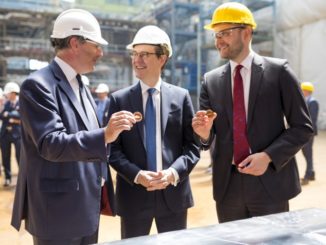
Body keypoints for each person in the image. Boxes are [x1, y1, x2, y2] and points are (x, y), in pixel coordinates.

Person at [11, 9, 135, 245]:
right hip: (57, 214)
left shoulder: (79, 84)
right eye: (96, 45)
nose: (101, 52)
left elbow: (88, 139)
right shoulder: (38, 86)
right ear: (75, 43)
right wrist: (105, 134)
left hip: (85, 208)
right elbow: (51, 144)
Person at [192, 2, 313, 223]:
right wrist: (204, 133)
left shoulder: (279, 72)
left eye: (225, 33)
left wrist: (268, 157)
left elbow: (302, 128)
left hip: (270, 182)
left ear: (246, 32)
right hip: (228, 187)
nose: (219, 41)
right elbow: (206, 138)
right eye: (216, 35)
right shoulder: (211, 81)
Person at [108, 25, 200, 239]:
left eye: (144, 55)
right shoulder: (119, 100)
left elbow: (192, 147)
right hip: (134, 196)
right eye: (134, 54)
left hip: (174, 196)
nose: (136, 60)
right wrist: (137, 175)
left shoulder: (181, 97)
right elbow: (112, 149)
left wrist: (172, 173)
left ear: (162, 58)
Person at [0, 82, 21, 187]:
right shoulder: (6, 104)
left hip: (18, 134)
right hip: (5, 134)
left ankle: (22, 178)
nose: (6, 95)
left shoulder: (22, 103)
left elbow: (21, 116)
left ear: (13, 93)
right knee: (5, 156)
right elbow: (1, 115)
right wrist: (13, 118)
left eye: (8, 93)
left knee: (19, 156)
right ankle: (8, 178)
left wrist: (8, 114)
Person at [300, 82, 319, 185]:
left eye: (302, 89)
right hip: (305, 132)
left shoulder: (313, 102)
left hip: (308, 132)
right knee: (307, 153)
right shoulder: (306, 101)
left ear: (306, 91)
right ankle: (311, 173)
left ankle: (307, 176)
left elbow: (312, 119)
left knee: (307, 153)